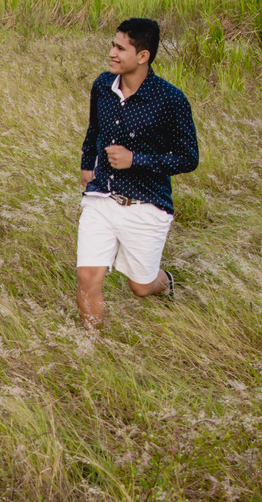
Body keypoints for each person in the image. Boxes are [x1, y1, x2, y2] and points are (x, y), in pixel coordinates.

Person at [76, 17, 199, 332]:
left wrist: (135, 159)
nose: (112, 53)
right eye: (113, 45)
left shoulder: (170, 100)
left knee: (141, 287)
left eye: (120, 48)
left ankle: (165, 282)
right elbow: (94, 130)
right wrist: (87, 165)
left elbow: (189, 158)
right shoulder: (103, 86)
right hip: (101, 197)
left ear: (143, 56)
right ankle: (90, 348)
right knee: (87, 277)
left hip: (146, 202)